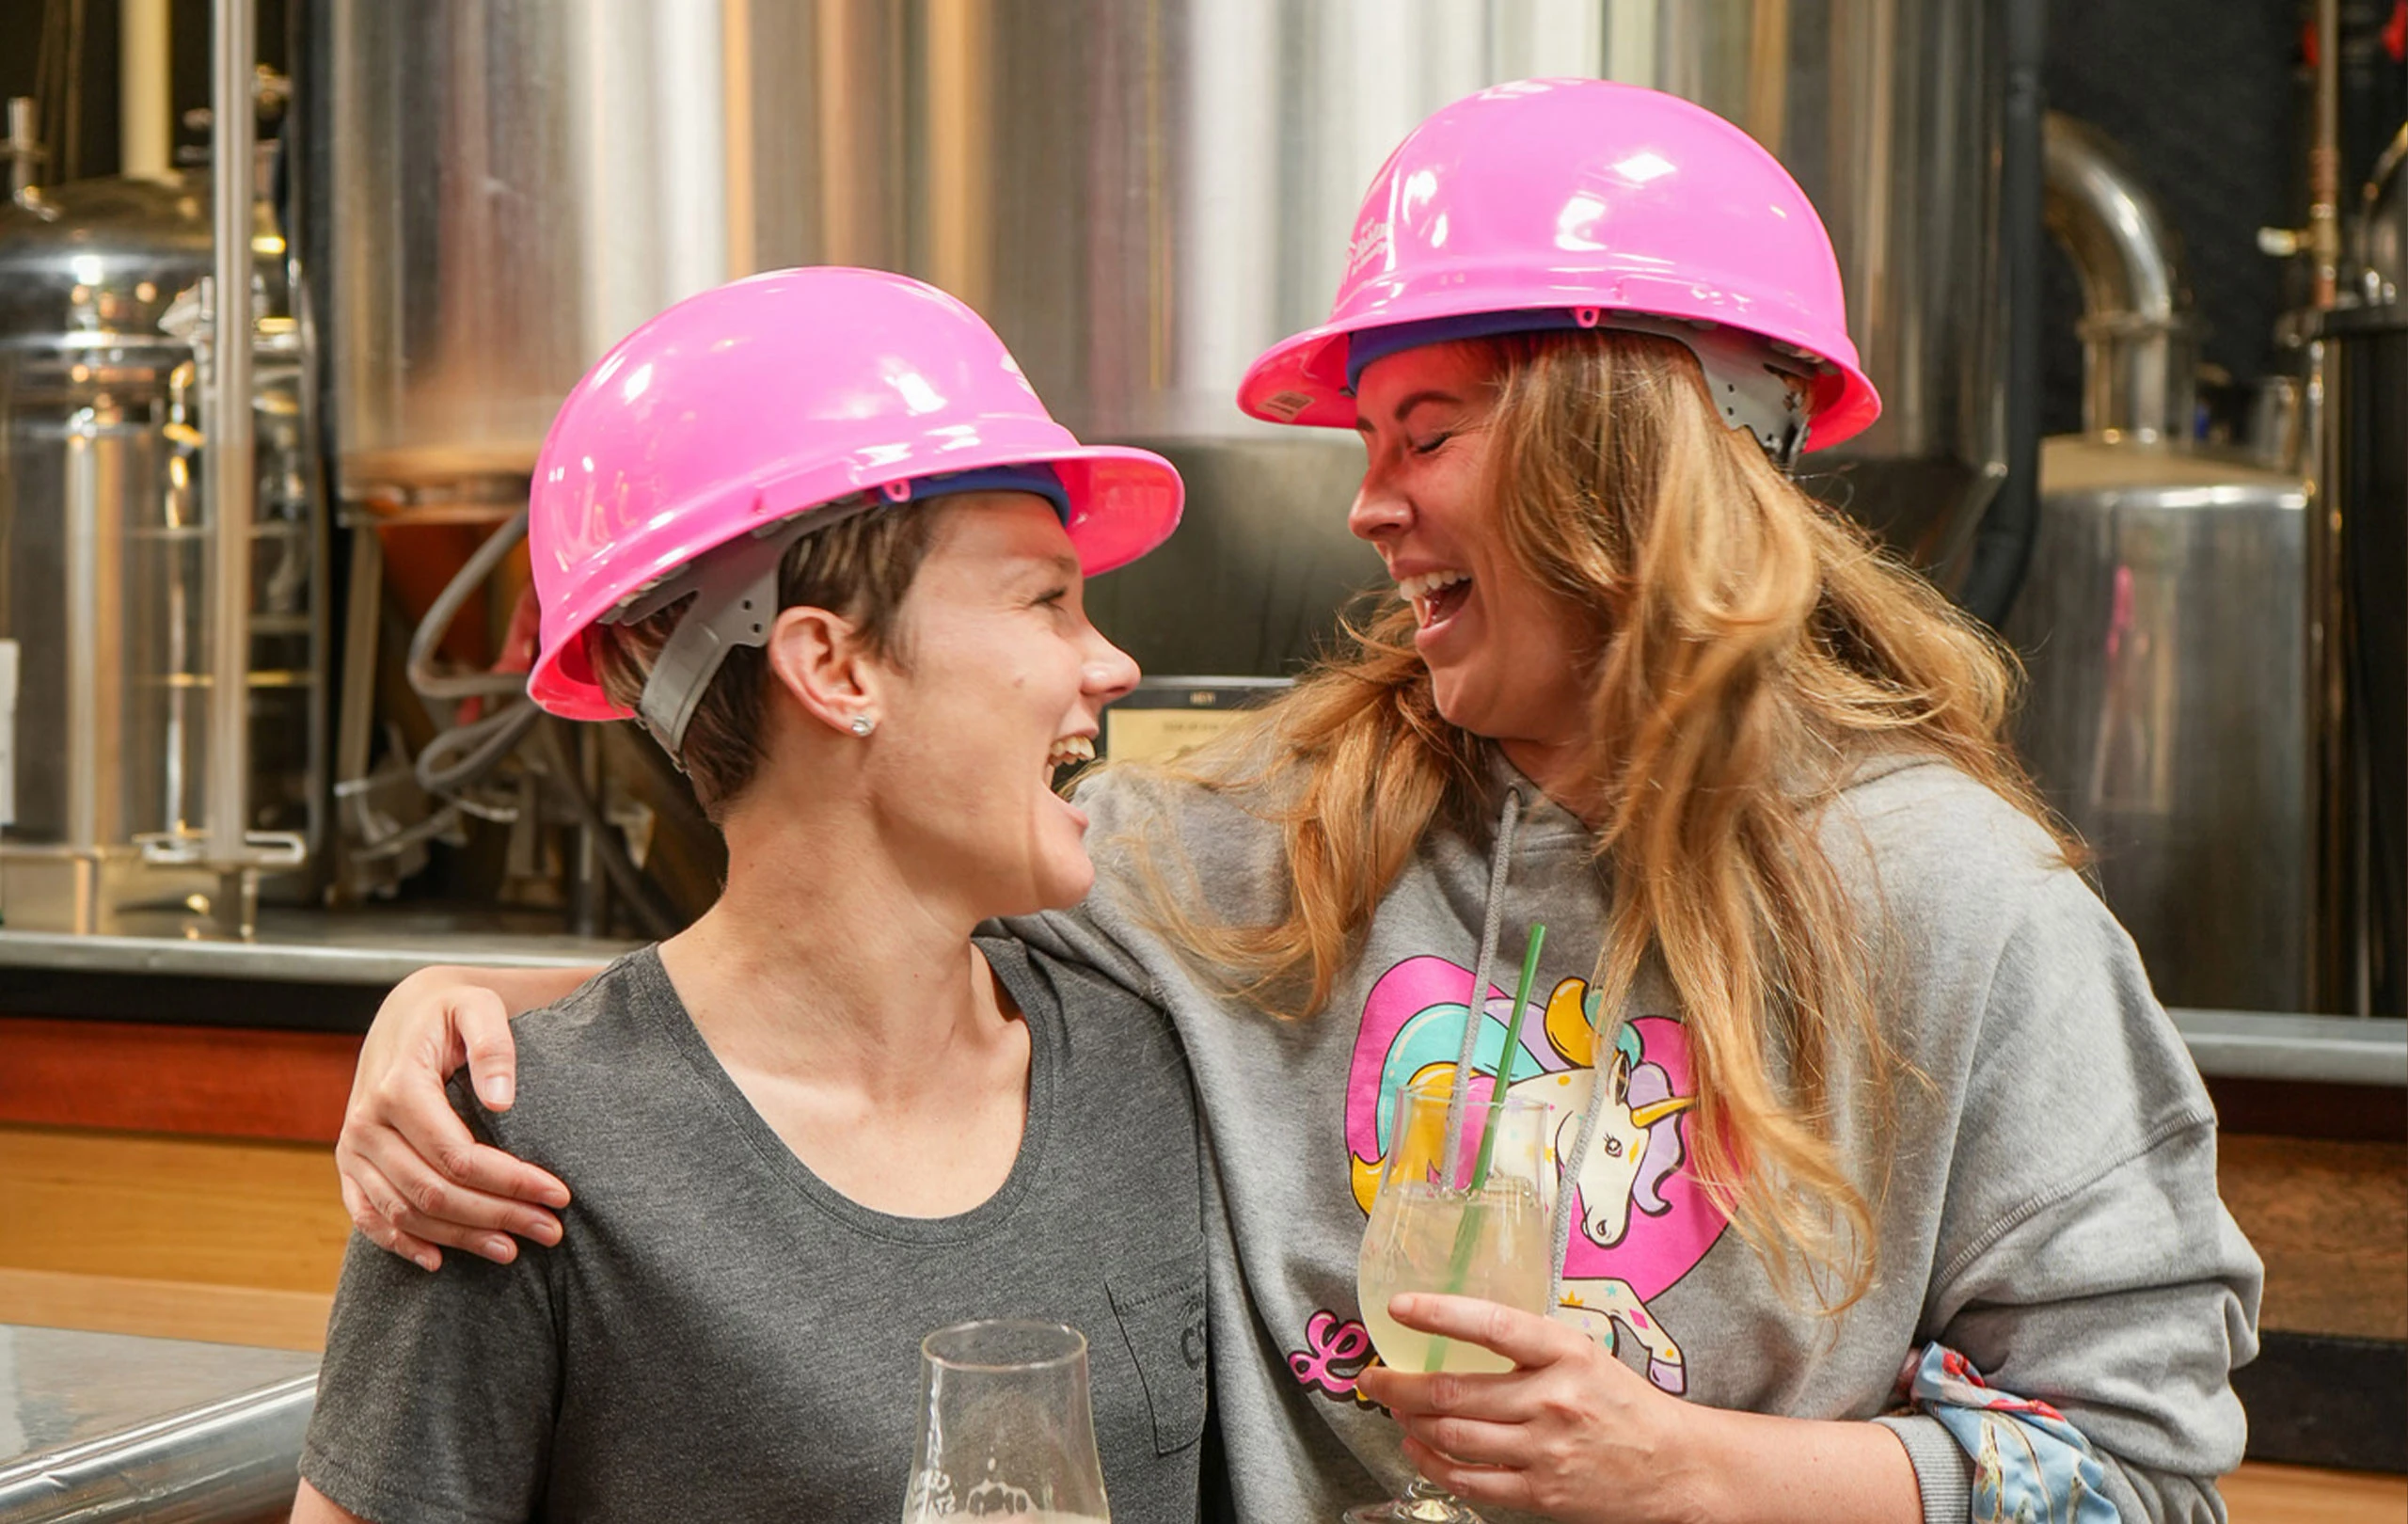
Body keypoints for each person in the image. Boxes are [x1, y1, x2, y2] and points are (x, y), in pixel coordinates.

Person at [331, 83, 2260, 1524]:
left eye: (1422, 431)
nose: (1362, 502)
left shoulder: (1948, 902)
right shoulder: (1261, 843)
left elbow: (2141, 1464)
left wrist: (1690, 1469)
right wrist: (469, 1030)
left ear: (1622, 450)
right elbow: (837, 911)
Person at [292, 267, 1210, 1524]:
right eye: (1046, 598)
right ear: (833, 667)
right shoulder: (504, 1158)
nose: (1112, 662)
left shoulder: (1145, 1059)